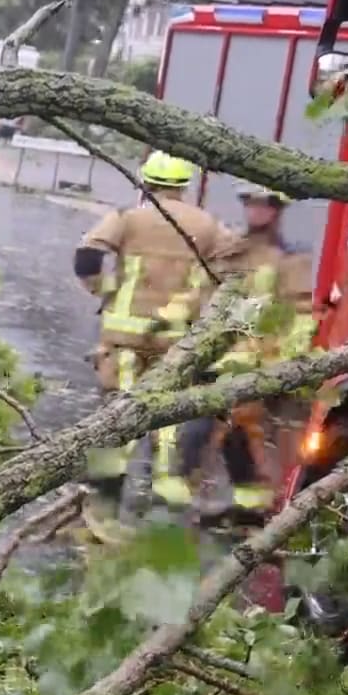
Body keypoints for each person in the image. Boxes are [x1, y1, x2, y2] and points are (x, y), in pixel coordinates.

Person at [73, 151, 234, 538]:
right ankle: (162, 524)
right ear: (185, 184)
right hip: (176, 348)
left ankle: (103, 515)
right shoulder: (208, 224)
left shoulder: (128, 218)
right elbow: (239, 272)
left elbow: (86, 257)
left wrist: (107, 292)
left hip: (125, 343)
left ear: (146, 183)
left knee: (116, 426)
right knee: (169, 432)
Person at [176, 183, 318, 528]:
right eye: (251, 205)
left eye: (264, 206)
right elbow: (201, 298)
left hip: (253, 367)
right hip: (214, 362)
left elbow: (299, 318)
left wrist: (281, 366)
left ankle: (238, 508)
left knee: (224, 435)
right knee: (213, 436)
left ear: (276, 211)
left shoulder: (289, 260)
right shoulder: (230, 252)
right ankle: (233, 506)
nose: (256, 212)